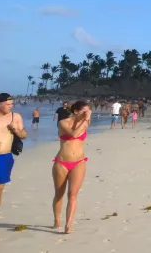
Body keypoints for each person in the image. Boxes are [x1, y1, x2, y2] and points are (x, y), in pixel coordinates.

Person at [53, 100, 91, 234]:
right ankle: (57, 220)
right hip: (61, 162)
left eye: (88, 111)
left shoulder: (85, 123)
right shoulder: (63, 123)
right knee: (59, 194)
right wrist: (85, 120)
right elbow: (74, 134)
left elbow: (81, 132)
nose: (87, 113)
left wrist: (85, 120)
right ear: (76, 111)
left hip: (79, 162)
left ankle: (68, 225)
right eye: (84, 111)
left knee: (72, 194)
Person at [0, 93, 28, 211]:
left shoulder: (15, 117)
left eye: (12, 104)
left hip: (4, 157)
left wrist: (16, 130)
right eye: (8, 104)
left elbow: (24, 135)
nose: (10, 106)